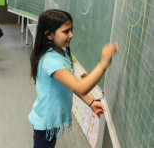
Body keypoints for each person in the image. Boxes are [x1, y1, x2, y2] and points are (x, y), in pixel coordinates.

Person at [28, 9, 118, 148]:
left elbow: (72, 84)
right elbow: (80, 87)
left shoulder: (62, 52)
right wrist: (103, 64)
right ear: (49, 35)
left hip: (52, 119)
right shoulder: (51, 61)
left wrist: (91, 101)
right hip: (46, 122)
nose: (71, 35)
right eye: (66, 31)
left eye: (71, 30)